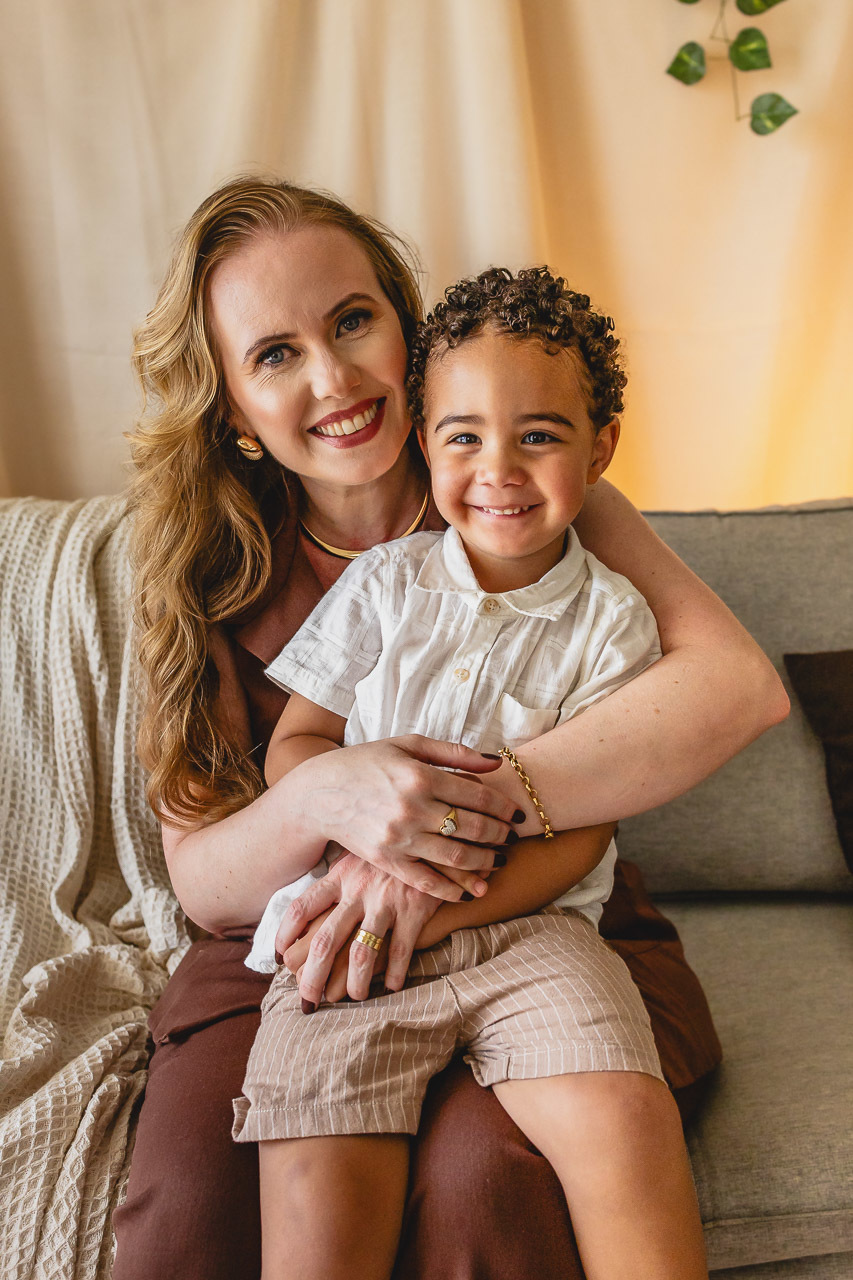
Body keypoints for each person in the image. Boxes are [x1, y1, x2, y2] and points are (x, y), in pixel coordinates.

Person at [112, 176, 788, 1280]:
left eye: (351, 321)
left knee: (485, 1175)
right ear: (232, 403)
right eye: (274, 354)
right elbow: (207, 882)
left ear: (407, 329)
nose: (332, 378)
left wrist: (461, 841)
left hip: (534, 912)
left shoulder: (525, 489)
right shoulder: (200, 567)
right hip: (299, 928)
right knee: (196, 1190)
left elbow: (734, 688)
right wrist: (333, 795)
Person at [236, 265, 708, 1280]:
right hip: (352, 929)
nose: (499, 465)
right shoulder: (382, 586)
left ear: (600, 448)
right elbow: (296, 745)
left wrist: (446, 908)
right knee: (318, 1166)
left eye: (538, 434)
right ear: (422, 443)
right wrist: (355, 799)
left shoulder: (615, 620)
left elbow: (584, 828)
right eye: (463, 435)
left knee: (623, 1113)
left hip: (536, 932)